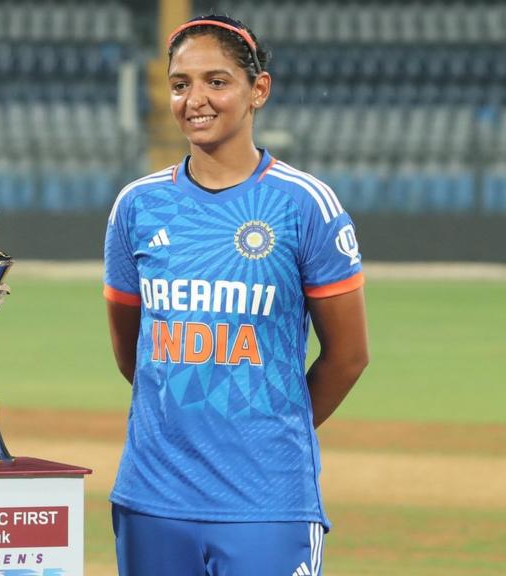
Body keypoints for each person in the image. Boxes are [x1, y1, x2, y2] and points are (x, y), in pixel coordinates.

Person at [103, 15, 368, 576]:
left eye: (216, 81)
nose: (195, 99)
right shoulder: (137, 206)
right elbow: (135, 354)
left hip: (266, 503)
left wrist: (266, 426)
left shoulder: (305, 205)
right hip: (152, 499)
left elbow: (347, 356)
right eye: (180, 84)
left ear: (258, 91)